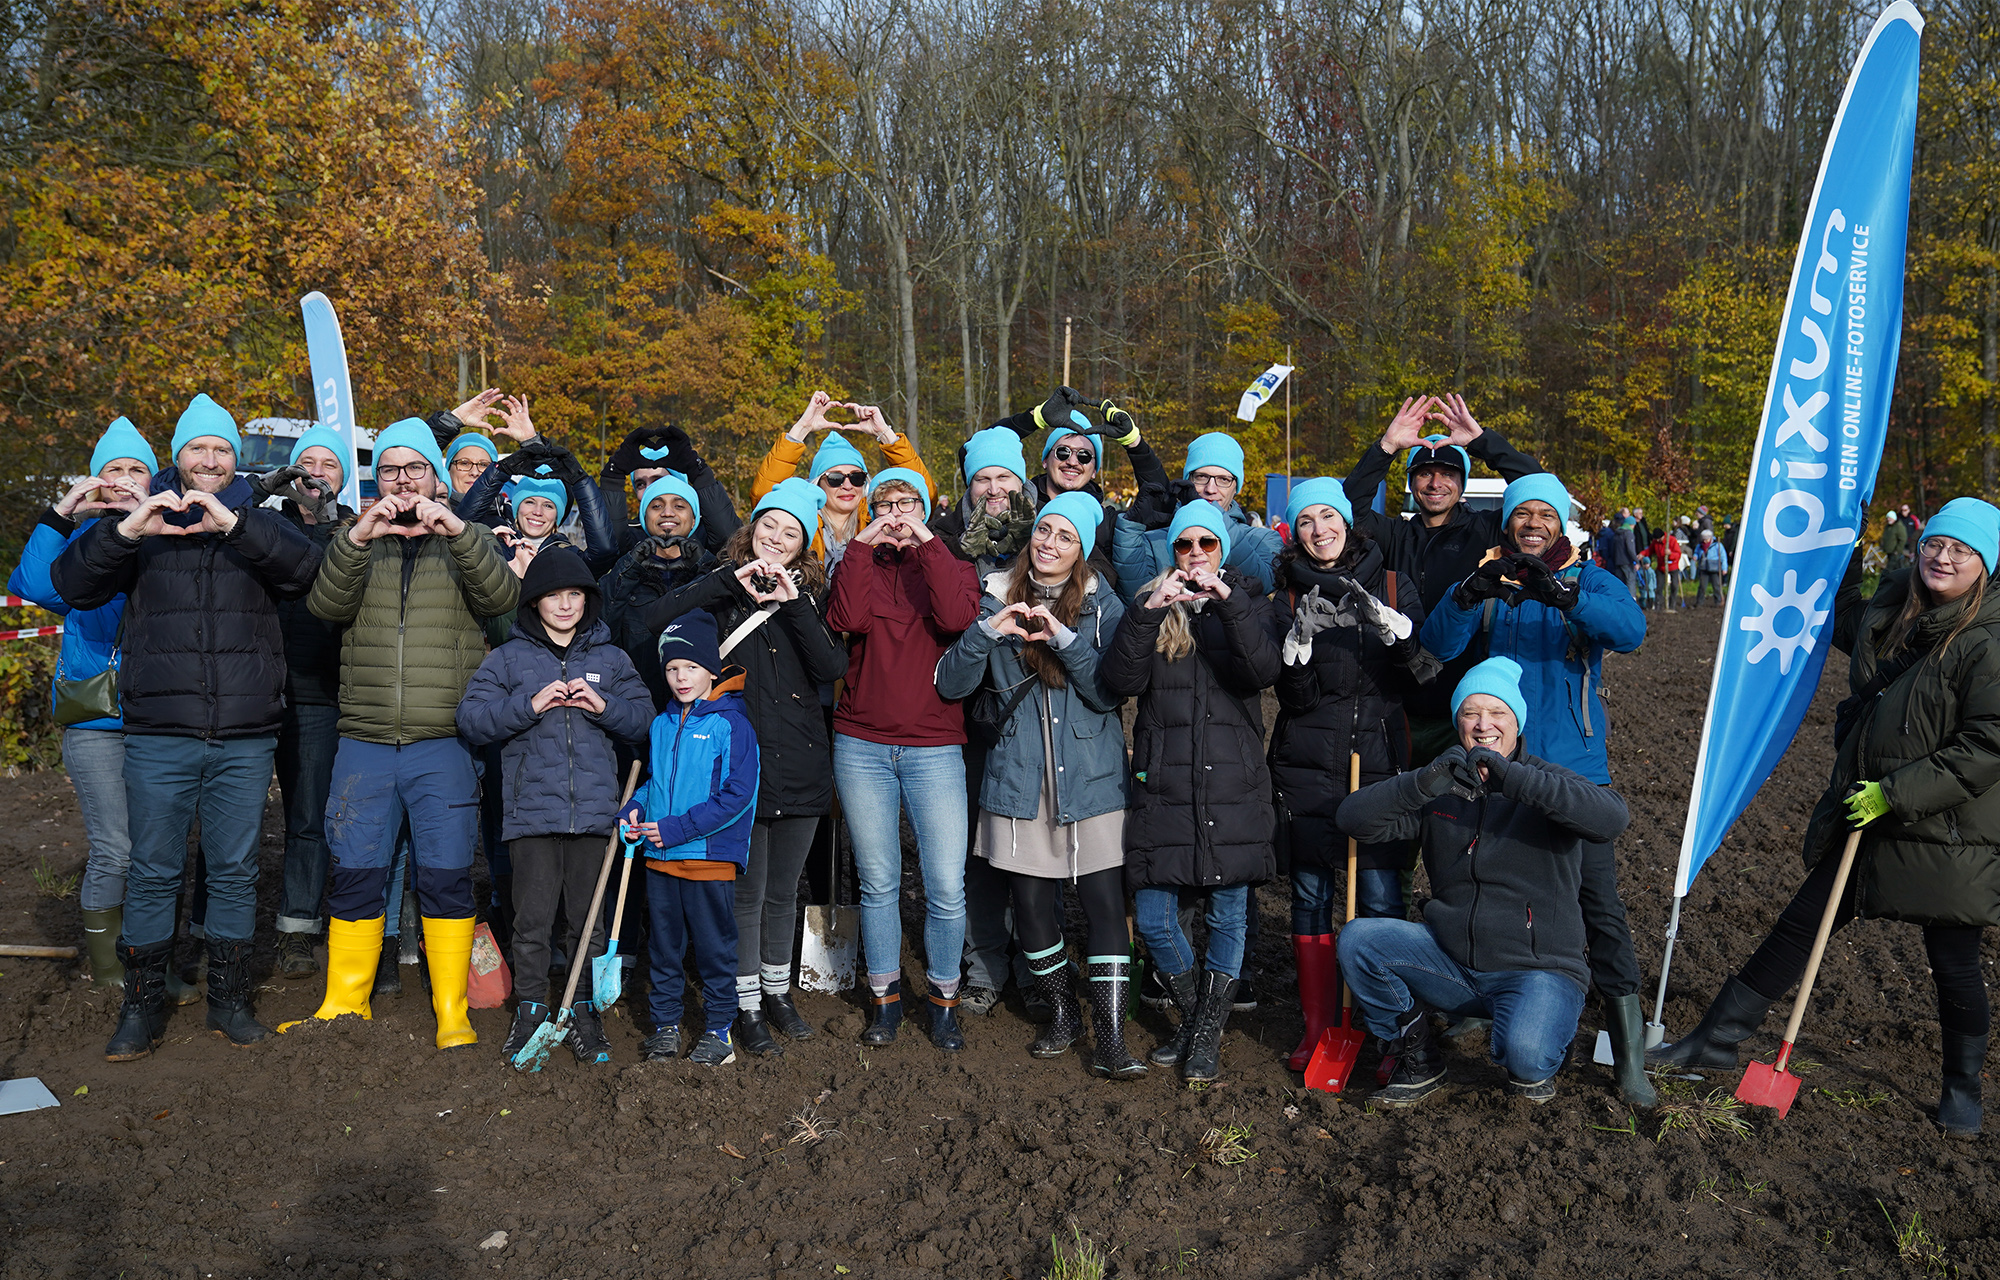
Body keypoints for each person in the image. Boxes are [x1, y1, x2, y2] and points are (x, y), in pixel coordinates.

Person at [1652, 499, 2000, 1136]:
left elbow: (1987, 744)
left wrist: (1896, 794)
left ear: (1985, 564)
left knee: (1953, 960)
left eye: (1963, 552)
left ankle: (1962, 1086)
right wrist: (1839, 547)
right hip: (1866, 814)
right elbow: (1840, 620)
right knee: (1798, 930)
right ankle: (1717, 1038)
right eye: (1935, 546)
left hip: (1946, 830)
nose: (1943, 559)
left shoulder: (1988, 641)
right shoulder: (1898, 614)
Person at [54, 394, 322, 1060]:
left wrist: (236, 525)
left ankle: (228, 1004)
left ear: (235, 461)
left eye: (221, 450)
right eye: (197, 449)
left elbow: (307, 573)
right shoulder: (138, 517)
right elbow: (71, 585)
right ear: (177, 456)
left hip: (244, 730)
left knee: (233, 870)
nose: (209, 460)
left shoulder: (259, 520)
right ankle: (141, 1007)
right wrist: (128, 530)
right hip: (159, 730)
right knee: (153, 871)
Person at [1420, 471, 1655, 1107]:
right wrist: (1468, 594)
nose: (1532, 524)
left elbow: (1629, 631)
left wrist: (1566, 597)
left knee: (1600, 909)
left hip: (1575, 771)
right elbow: (1438, 645)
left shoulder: (1588, 576)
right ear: (1508, 522)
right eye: (1522, 513)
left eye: (1544, 515)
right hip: (1496, 769)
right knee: (1480, 885)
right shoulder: (1492, 579)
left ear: (1560, 523)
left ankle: (1629, 1051)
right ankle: (1478, 999)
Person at [306, 418, 520, 1050]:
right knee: (356, 870)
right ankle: (345, 999)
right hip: (365, 740)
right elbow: (325, 609)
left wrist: (458, 534)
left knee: (447, 872)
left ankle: (450, 1007)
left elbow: (503, 598)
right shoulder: (356, 539)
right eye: (392, 469)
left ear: (437, 478)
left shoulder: (468, 537)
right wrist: (355, 539)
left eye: (416, 468)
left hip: (443, 742)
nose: (403, 480)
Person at [1336, 657, 1631, 1106]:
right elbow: (1354, 820)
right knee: (1361, 940)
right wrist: (1422, 782)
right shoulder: (1443, 792)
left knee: (1527, 1059)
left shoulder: (1548, 785)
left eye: (1498, 714)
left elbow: (1612, 818)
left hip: (1537, 970)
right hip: (1453, 964)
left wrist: (1514, 781)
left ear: (1517, 722)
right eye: (1471, 713)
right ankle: (1418, 1059)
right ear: (1458, 721)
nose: (1483, 725)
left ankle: (1546, 1032)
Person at [935, 492, 1145, 1078]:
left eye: (1065, 537)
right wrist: (986, 632)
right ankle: (1060, 1015)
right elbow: (950, 686)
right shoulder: (997, 594)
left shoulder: (1104, 606)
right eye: (1044, 532)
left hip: (1091, 779)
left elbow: (1110, 693)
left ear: (1082, 551)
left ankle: (1109, 1037)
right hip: (1019, 778)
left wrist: (1065, 641)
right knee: (1030, 908)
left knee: (1104, 905)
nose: (1050, 544)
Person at [640, 477, 847, 1055]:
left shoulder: (811, 594)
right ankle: (746, 1005)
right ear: (750, 530)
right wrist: (722, 582)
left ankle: (779, 994)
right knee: (746, 894)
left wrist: (794, 601)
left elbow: (831, 665)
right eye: (769, 526)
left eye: (791, 531)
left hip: (803, 764)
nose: (777, 538)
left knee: (785, 892)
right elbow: (653, 621)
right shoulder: (720, 591)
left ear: (803, 543)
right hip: (740, 771)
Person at [1101, 500, 1281, 1082]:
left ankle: (1201, 1037)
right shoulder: (1150, 606)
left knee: (1229, 917)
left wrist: (1228, 605)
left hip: (1233, 787)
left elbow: (1261, 672)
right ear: (1172, 553)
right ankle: (1198, 1018)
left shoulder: (1247, 602)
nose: (1196, 555)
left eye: (1207, 544)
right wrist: (1151, 611)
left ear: (1222, 551)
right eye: (1185, 545)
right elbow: (1119, 683)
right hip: (1166, 789)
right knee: (1154, 919)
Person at [458, 548, 651, 1063]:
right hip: (530, 814)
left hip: (593, 813)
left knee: (588, 919)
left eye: (574, 595)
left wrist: (606, 707)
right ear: (534, 602)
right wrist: (530, 704)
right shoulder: (507, 659)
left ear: (587, 600)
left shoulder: (611, 659)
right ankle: (531, 1010)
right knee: (533, 918)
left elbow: (644, 721)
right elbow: (472, 719)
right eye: (552, 596)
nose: (564, 605)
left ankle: (582, 1008)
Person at [1264, 478, 1428, 1070]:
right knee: (1311, 895)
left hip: (1379, 761)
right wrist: (1298, 649)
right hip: (1308, 763)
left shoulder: (1391, 583)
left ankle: (1387, 1027)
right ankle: (1319, 1027)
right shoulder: (1284, 594)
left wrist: (1398, 635)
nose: (1319, 530)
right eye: (1306, 521)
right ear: (1294, 531)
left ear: (1347, 522)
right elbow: (1294, 698)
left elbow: (1421, 679)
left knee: (1381, 900)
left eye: (1328, 516)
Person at [824, 468, 981, 1050]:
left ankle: (943, 998)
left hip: (933, 744)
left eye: (907, 503)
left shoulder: (949, 563)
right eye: (885, 504)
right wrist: (863, 547)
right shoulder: (857, 563)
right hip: (862, 742)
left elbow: (957, 619)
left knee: (944, 882)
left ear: (924, 508)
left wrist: (928, 542)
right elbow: (846, 621)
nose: (896, 513)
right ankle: (884, 997)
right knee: (879, 880)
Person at [9, 418, 156, 989]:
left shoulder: (169, 529)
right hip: (95, 717)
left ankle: (149, 955)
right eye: (112, 471)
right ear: (96, 479)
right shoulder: (77, 538)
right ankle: (106, 966)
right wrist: (64, 511)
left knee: (154, 849)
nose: (124, 480)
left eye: (135, 469)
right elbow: (35, 587)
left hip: (155, 714)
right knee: (115, 846)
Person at [1340, 395, 1543, 764]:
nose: (1436, 483)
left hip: (1465, 704)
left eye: (1448, 473)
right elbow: (1345, 511)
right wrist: (1385, 448)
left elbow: (1538, 489)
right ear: (1412, 483)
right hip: (1398, 698)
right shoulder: (1392, 535)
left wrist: (1482, 442)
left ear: (1462, 483)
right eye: (1424, 473)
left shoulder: (1486, 530)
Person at [622, 611, 759, 1067]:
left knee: (715, 949)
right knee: (663, 948)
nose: (681, 677)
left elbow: (737, 796)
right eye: (671, 668)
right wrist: (635, 807)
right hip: (660, 856)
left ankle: (719, 1030)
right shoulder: (662, 724)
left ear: (712, 670)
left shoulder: (731, 725)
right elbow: (656, 783)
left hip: (706, 857)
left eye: (691, 667)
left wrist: (677, 828)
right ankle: (665, 1027)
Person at [267, 426, 358, 979]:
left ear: (343, 477)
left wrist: (330, 527)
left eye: (329, 463)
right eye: (307, 462)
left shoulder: (353, 529)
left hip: (319, 694)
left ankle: (297, 929)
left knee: (307, 817)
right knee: (226, 821)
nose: (317, 472)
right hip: (251, 690)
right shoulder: (259, 521)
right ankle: (208, 932)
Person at [752, 391, 932, 563]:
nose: (847, 485)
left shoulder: (877, 520)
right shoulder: (803, 520)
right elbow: (765, 497)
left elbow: (922, 493)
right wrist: (801, 429)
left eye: (856, 478)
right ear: (817, 484)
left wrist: (885, 434)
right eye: (835, 479)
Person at [456, 396, 619, 575]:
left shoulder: (569, 558)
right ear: (516, 508)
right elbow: (462, 526)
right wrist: (502, 471)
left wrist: (581, 483)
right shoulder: (496, 544)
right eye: (529, 502)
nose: (538, 512)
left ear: (559, 515)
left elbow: (604, 552)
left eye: (548, 505)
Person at [1112, 432, 1284, 603]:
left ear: (1236, 487)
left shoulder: (1262, 538)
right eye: (1201, 477)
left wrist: (1213, 517)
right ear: (1188, 479)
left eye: (1223, 479)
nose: (1210, 489)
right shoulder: (1155, 540)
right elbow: (1135, 597)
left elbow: (1266, 583)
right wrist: (1129, 529)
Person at [601, 472, 721, 711]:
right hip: (640, 708)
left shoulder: (711, 572)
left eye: (679, 506)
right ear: (645, 517)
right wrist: (628, 568)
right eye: (656, 506)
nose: (667, 512)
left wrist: (706, 566)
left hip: (701, 713)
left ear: (694, 517)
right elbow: (603, 629)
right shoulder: (625, 574)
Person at [598, 422, 741, 555]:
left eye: (658, 481)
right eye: (640, 484)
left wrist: (701, 474)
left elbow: (731, 543)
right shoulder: (630, 535)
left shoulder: (706, 532)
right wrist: (612, 478)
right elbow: (609, 549)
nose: (649, 490)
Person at [445, 433, 498, 506]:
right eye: (464, 463)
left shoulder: (507, 513)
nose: (474, 472)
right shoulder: (430, 512)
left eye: (483, 465)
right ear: (449, 470)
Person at [1650, 527, 1685, 611]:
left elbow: (1678, 554)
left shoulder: (1672, 540)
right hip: (1661, 567)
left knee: (1674, 586)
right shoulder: (1655, 542)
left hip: (1673, 567)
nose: (1658, 541)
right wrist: (1643, 554)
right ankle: (1658, 605)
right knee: (1659, 587)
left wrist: (1670, 554)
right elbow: (1650, 550)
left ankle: (1672, 605)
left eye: (1659, 539)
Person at [1691, 528, 1728, 606]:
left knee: (1716, 586)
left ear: (1710, 538)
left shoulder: (1717, 545)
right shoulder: (1699, 545)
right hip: (1703, 567)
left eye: (1706, 539)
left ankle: (1718, 602)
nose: (1704, 541)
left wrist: (1724, 568)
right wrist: (1695, 556)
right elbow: (1696, 552)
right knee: (1702, 586)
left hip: (1714, 568)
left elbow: (1723, 557)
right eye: (1703, 539)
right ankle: (1699, 602)